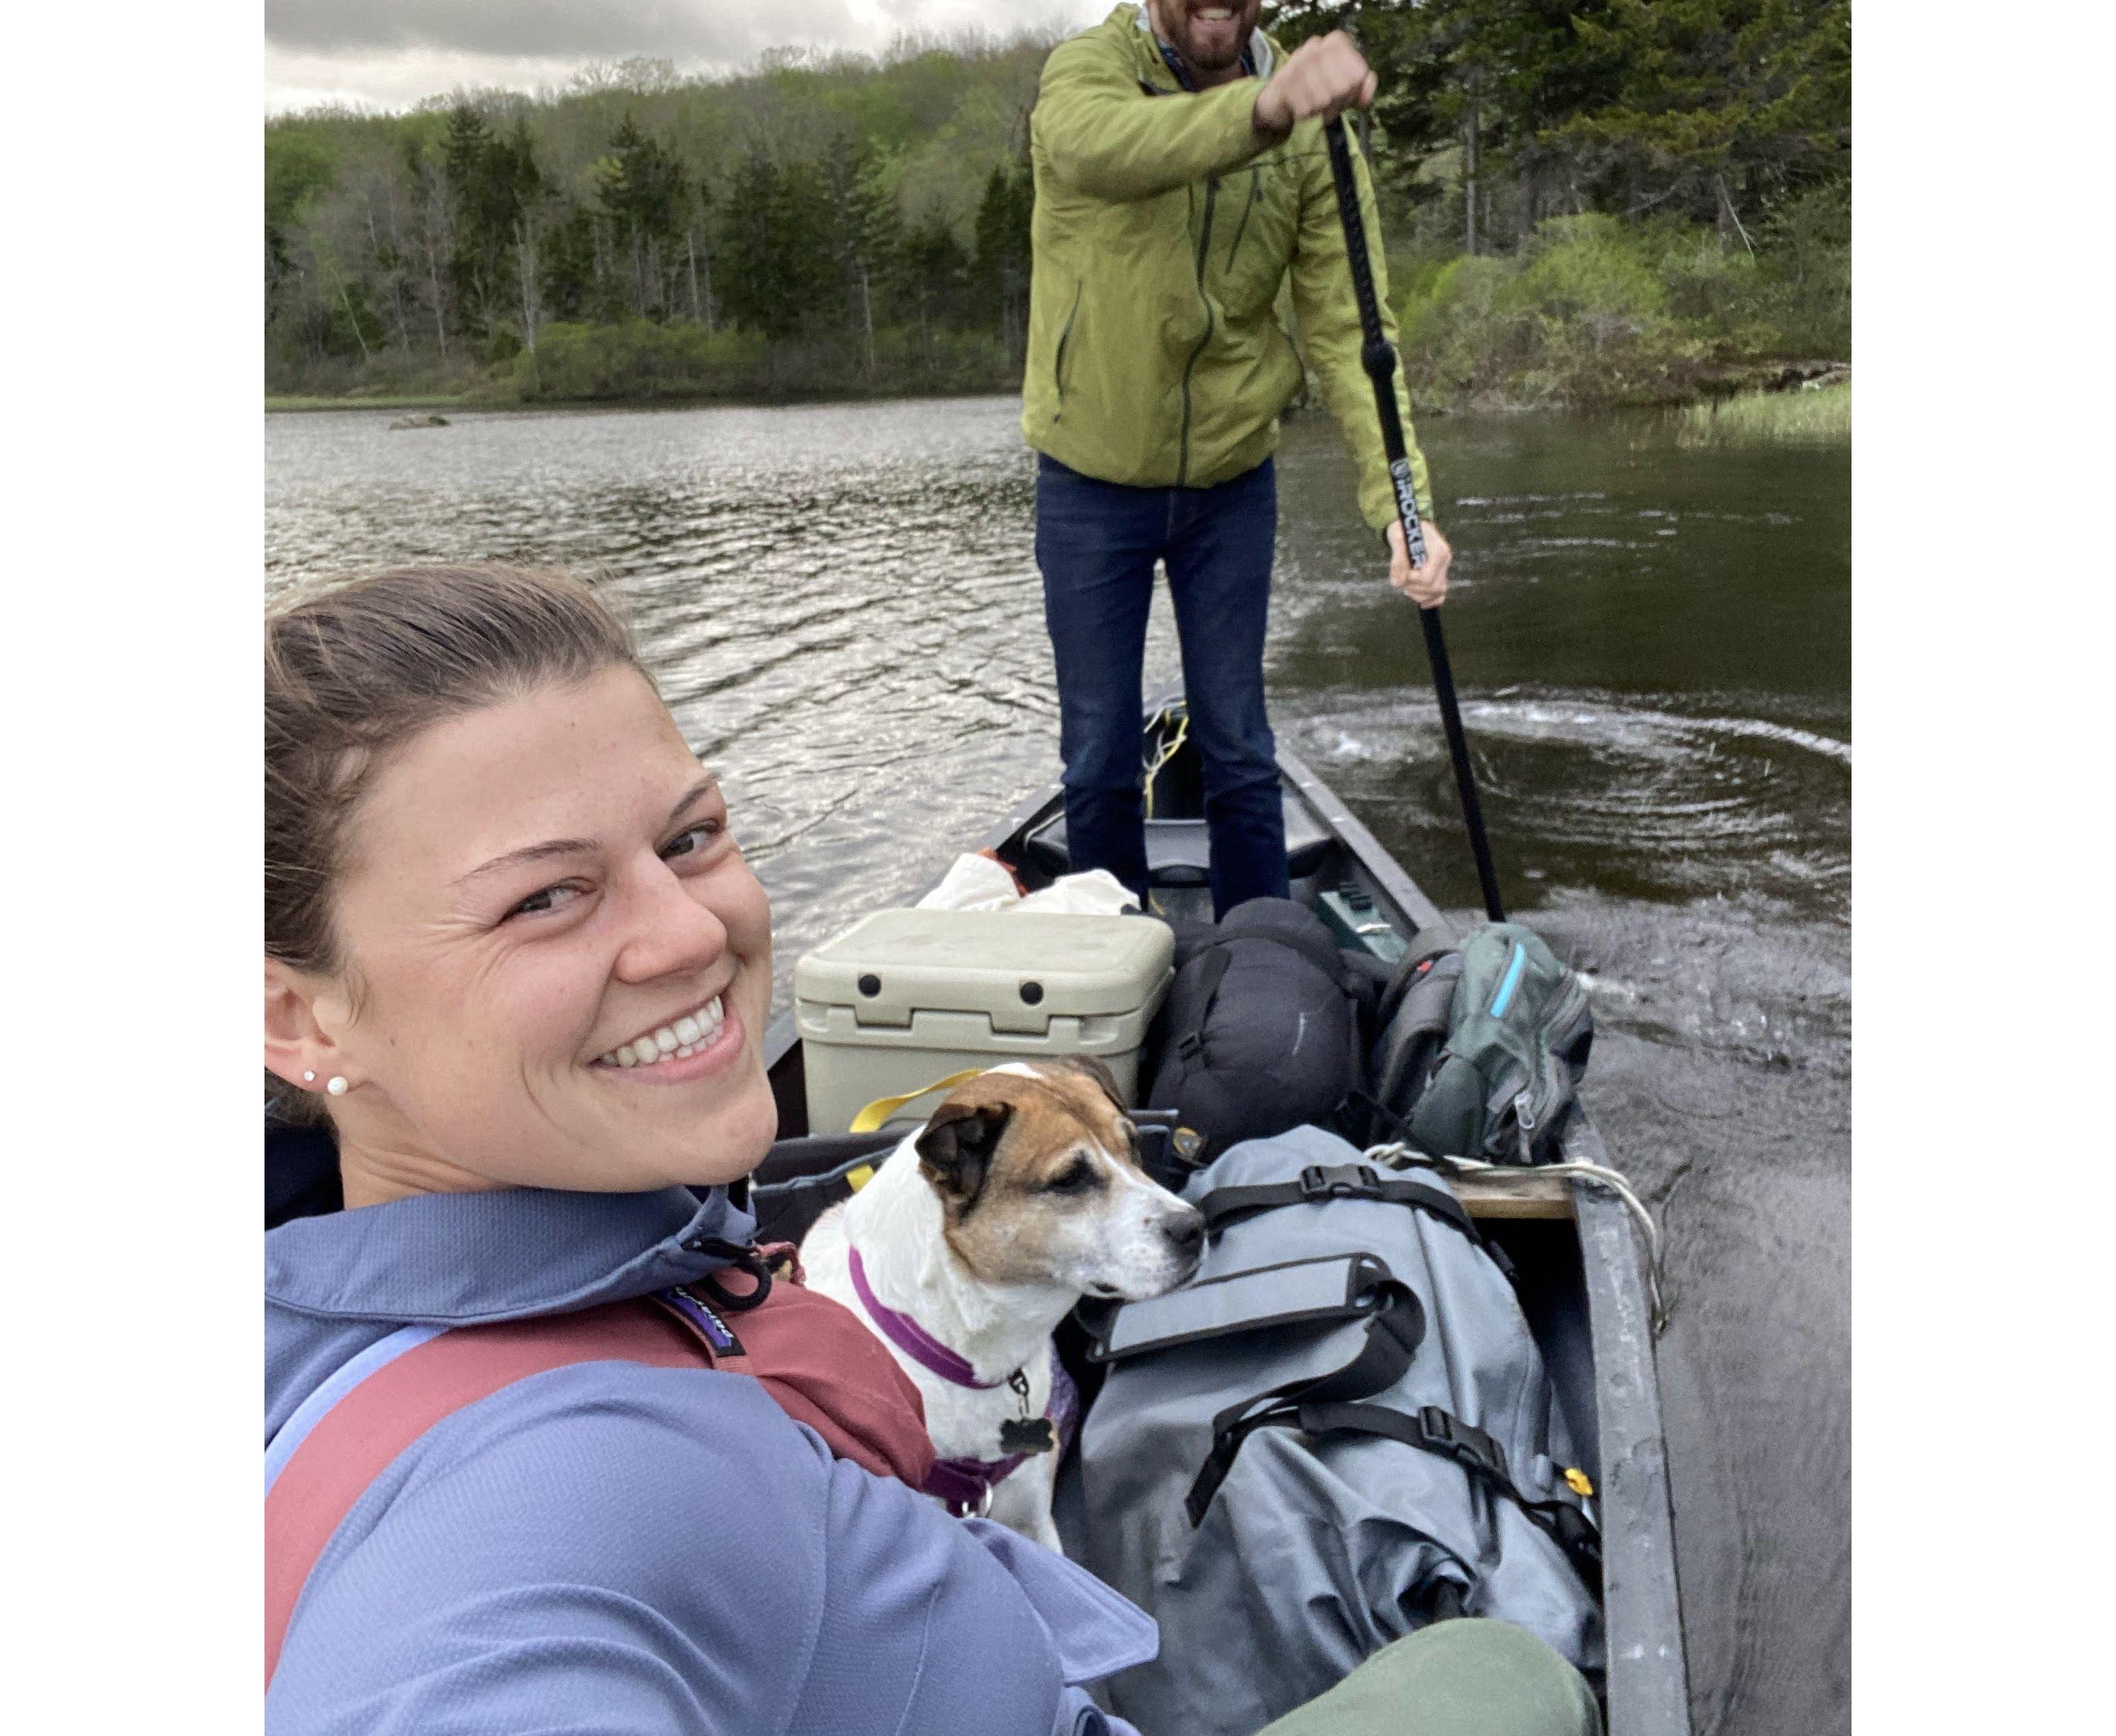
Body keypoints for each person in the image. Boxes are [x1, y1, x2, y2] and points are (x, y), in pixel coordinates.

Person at [262, 561, 1595, 1736]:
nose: (686, 934)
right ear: (293, 1011)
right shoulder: (546, 1516)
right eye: (543, 895)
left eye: (691, 835)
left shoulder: (324, 1319)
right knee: (1506, 1673)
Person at [1024, 0, 1453, 918]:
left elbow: (1352, 324)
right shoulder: (1085, 77)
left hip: (1230, 482)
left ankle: (1267, 957)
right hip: (1090, 481)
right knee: (1097, 759)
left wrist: (1403, 508)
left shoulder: (1312, 119)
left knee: (1240, 746)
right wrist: (1263, 111)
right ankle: (1112, 976)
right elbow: (1117, 151)